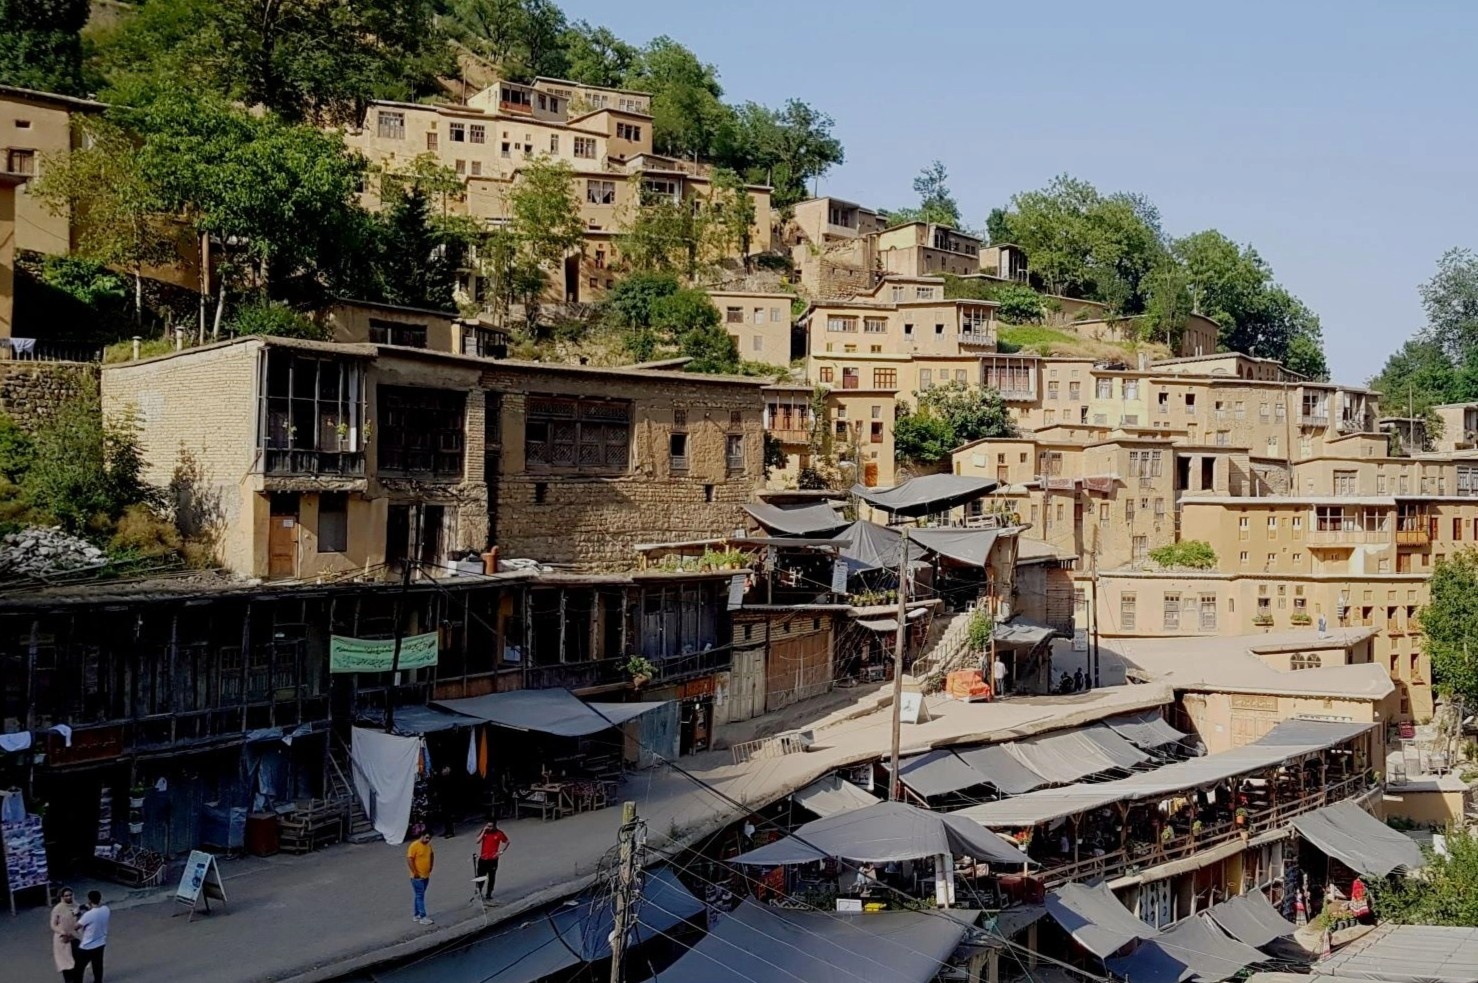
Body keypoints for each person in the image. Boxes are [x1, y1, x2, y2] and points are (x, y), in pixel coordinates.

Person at [74, 891, 108, 983]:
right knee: (97, 965)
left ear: (89, 900)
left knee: (79, 967)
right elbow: (102, 905)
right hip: (100, 942)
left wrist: (77, 914)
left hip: (87, 945)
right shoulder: (106, 910)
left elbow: (76, 926)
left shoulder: (88, 915)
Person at [475, 819, 510, 903]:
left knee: (491, 877)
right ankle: (479, 894)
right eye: (488, 826)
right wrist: (484, 830)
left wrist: (501, 851)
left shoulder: (499, 833)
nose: (489, 828)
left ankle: (489, 894)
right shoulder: (485, 832)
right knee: (480, 877)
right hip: (483, 859)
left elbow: (507, 842)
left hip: (492, 860)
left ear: (494, 826)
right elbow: (477, 841)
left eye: (491, 826)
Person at [406, 827, 435, 925]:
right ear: (422, 836)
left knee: (419, 896)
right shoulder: (414, 846)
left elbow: (431, 854)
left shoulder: (428, 846)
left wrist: (431, 866)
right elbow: (409, 859)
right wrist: (414, 872)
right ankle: (423, 916)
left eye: (429, 838)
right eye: (426, 838)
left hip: (426, 875)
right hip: (417, 877)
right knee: (420, 896)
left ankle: (417, 914)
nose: (428, 840)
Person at [50, 887, 78, 983]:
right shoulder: (57, 909)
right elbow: (53, 925)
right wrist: (62, 932)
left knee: (76, 960)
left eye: (70, 895)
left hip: (75, 937)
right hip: (63, 939)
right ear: (62, 897)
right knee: (65, 962)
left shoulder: (76, 906)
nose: (69, 897)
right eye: (66, 895)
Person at [434, 765, 456, 839]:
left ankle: (451, 832)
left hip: (448, 800)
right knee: (445, 816)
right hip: (443, 799)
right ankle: (447, 830)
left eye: (444, 770)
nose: (442, 771)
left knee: (449, 816)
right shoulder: (442, 778)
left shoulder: (449, 779)